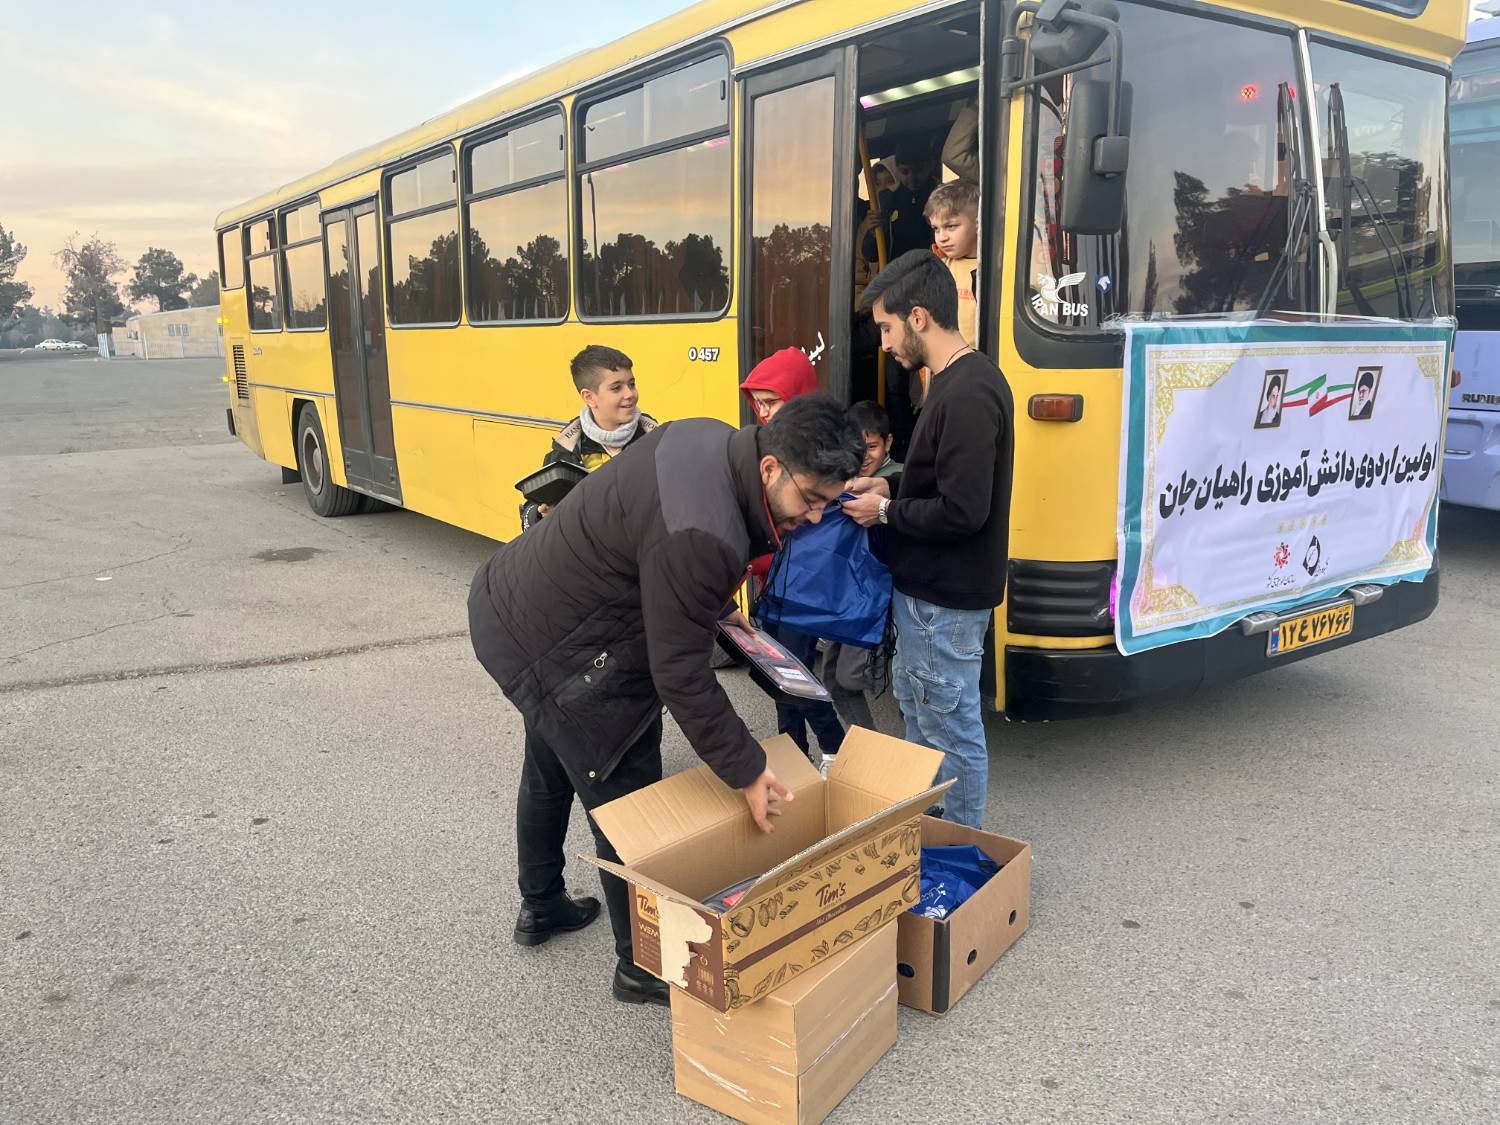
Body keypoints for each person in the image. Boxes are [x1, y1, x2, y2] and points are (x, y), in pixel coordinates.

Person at [468, 397, 865, 1005]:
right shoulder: (707, 534)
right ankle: (642, 966)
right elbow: (680, 673)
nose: (813, 518)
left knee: (552, 764)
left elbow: (662, 563)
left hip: (518, 608)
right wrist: (747, 770)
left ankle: (541, 902)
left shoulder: (710, 438)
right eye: (809, 499)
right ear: (769, 469)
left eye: (826, 504)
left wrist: (709, 603)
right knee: (630, 797)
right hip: (565, 648)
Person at [842, 251, 1014, 830]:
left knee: (949, 728)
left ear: (918, 317)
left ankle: (961, 852)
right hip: (934, 595)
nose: (885, 343)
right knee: (926, 721)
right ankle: (936, 830)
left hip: (944, 601)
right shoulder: (953, 380)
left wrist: (885, 508)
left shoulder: (966, 392)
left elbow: (963, 511)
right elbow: (940, 483)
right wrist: (887, 483)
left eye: (887, 327)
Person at [738, 349, 845, 763]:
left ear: (798, 396)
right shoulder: (768, 444)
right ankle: (794, 753)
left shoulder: (823, 451)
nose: (763, 412)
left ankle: (834, 745)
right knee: (781, 673)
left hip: (806, 585)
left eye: (772, 401)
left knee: (792, 672)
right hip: (775, 582)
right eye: (758, 402)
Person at [821, 401, 903, 740]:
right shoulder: (844, 482)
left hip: (880, 601)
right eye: (857, 448)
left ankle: (911, 751)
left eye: (871, 447)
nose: (865, 455)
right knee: (831, 677)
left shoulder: (899, 480)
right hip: (849, 598)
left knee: (857, 678)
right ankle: (870, 747)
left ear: (888, 443)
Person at [520, 345, 657, 529]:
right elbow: (530, 516)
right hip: (592, 555)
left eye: (632, 384)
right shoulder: (567, 451)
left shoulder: (657, 439)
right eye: (616, 388)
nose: (630, 394)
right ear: (589, 397)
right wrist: (540, 515)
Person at [925, 180, 981, 351]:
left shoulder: (995, 269)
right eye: (936, 229)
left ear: (979, 224)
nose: (942, 237)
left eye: (951, 226)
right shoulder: (940, 266)